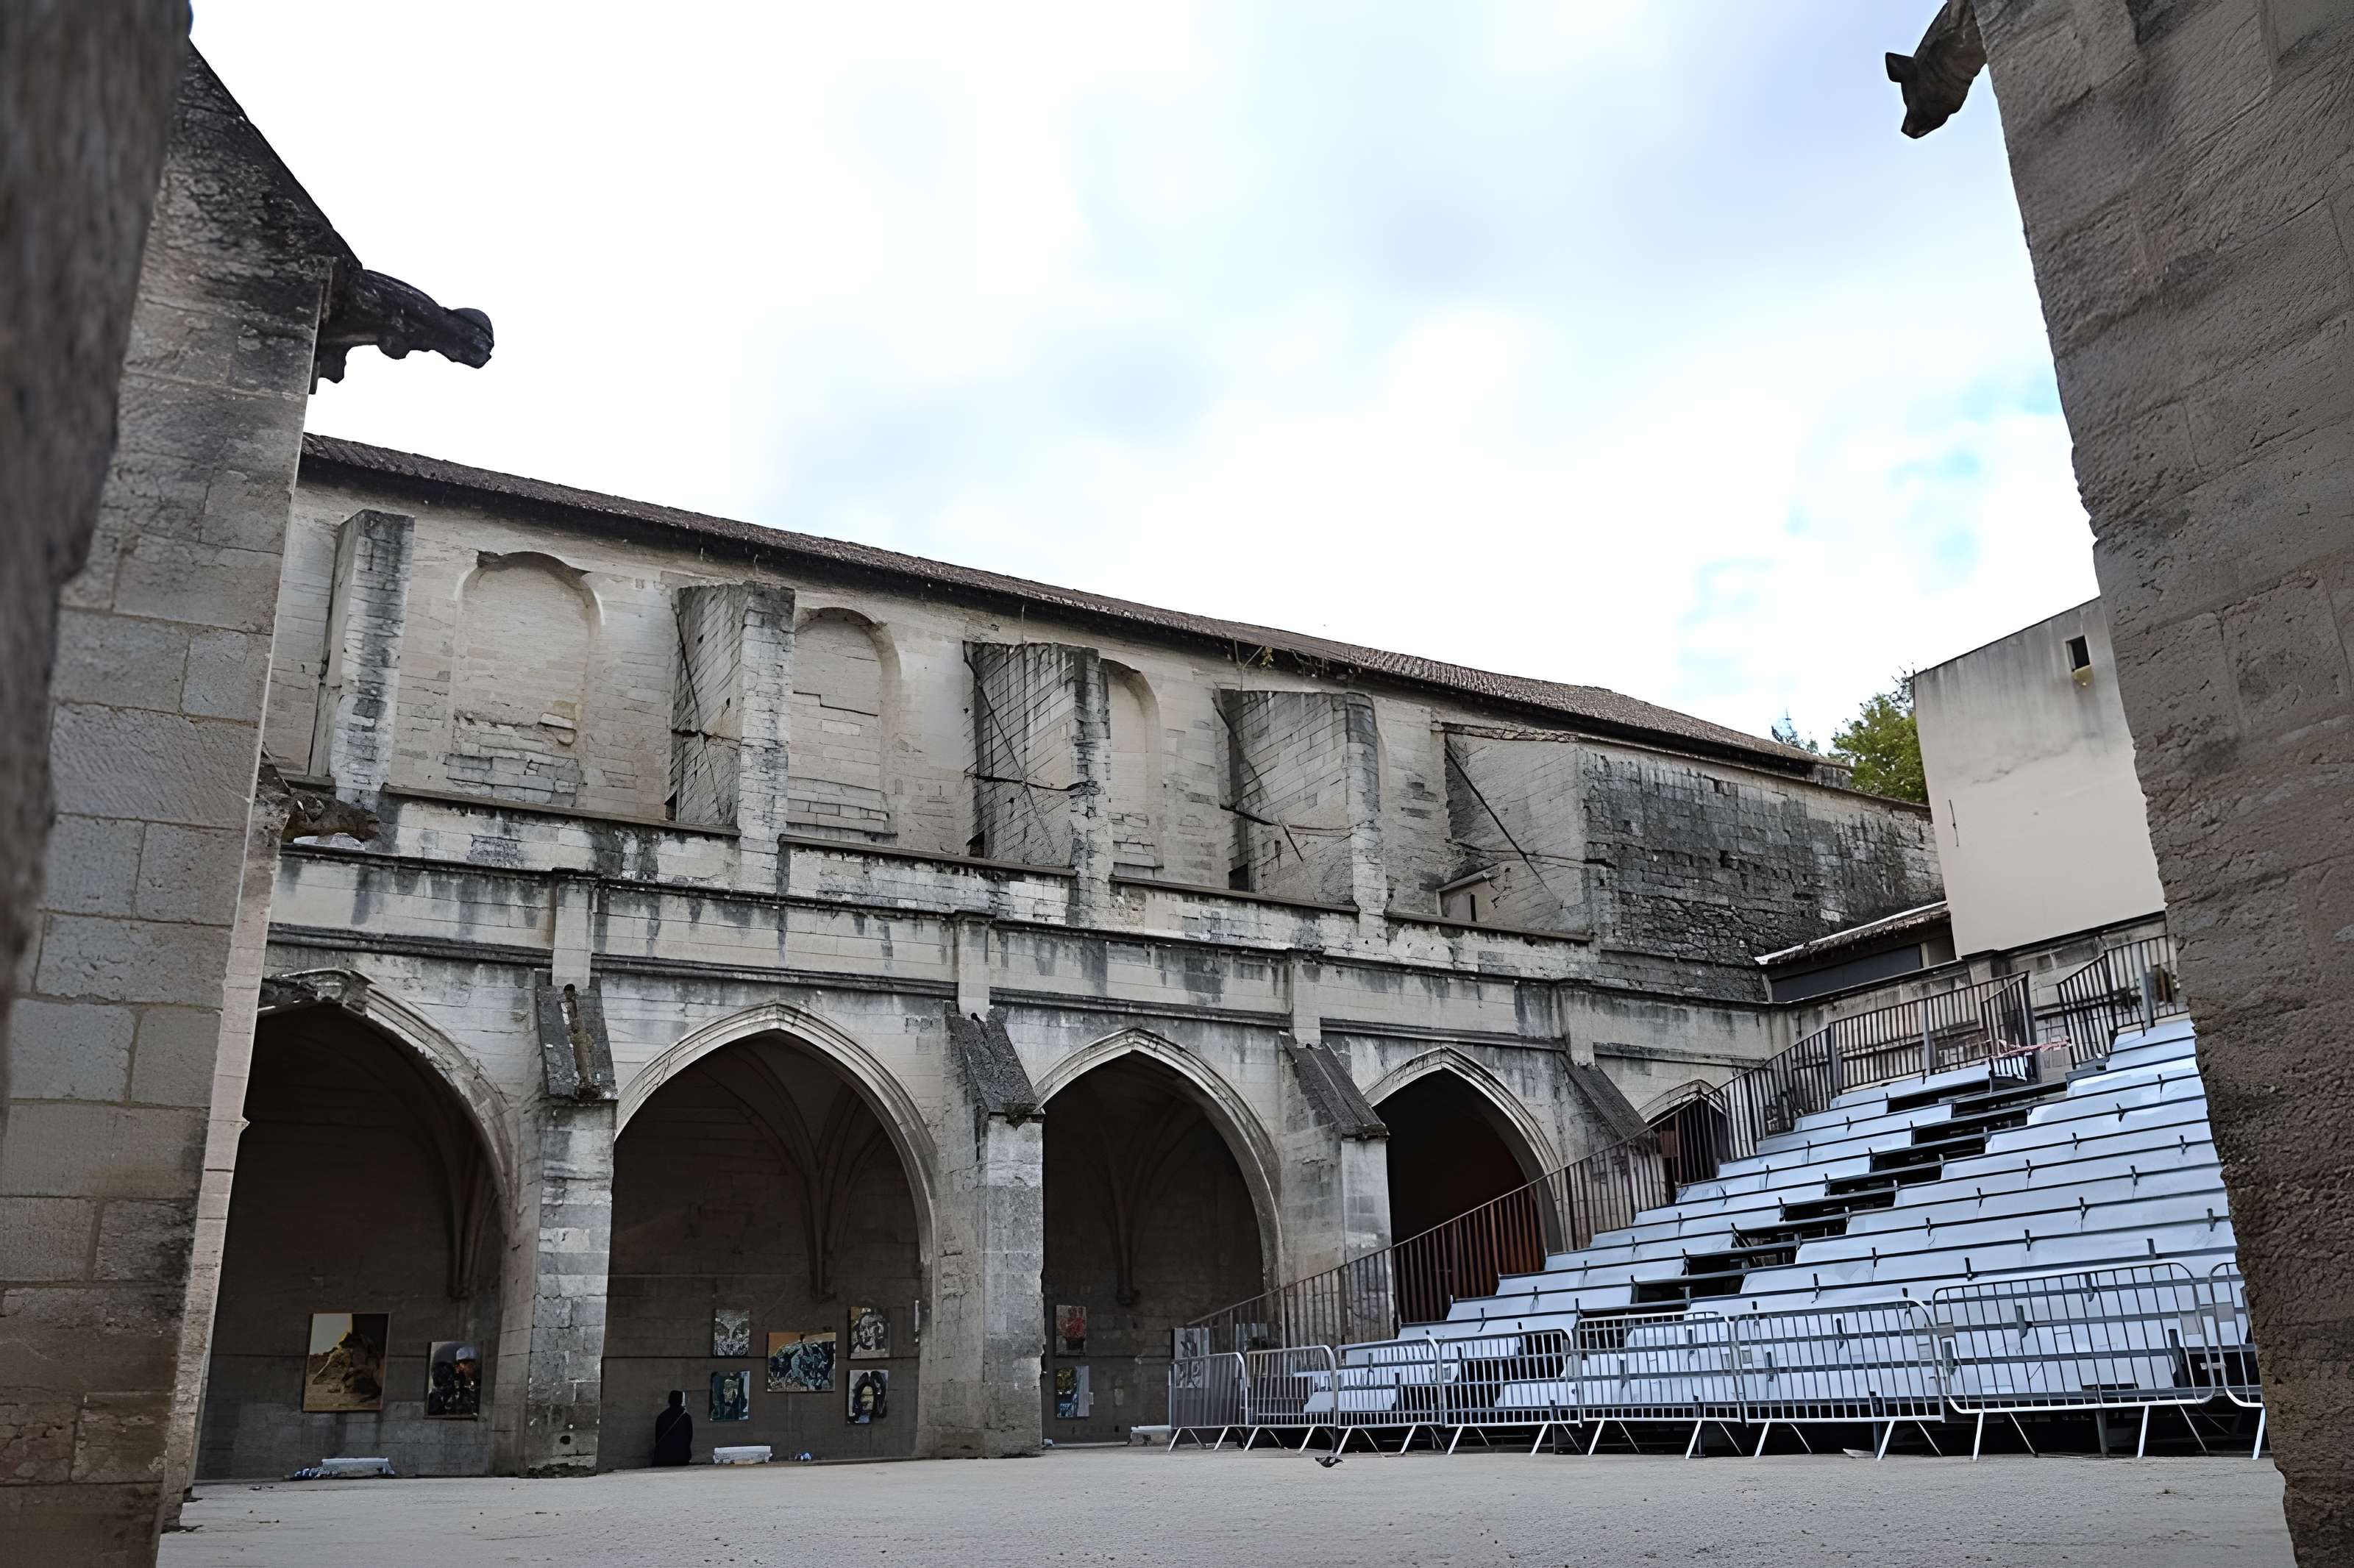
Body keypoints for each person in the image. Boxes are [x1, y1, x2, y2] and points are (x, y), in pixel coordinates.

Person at [651, 1389, 692, 1466]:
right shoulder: (686, 1417)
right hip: (681, 1457)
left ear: (669, 1400)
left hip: (664, 1457)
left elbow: (658, 1438)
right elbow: (688, 1438)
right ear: (681, 1401)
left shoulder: (662, 1417)